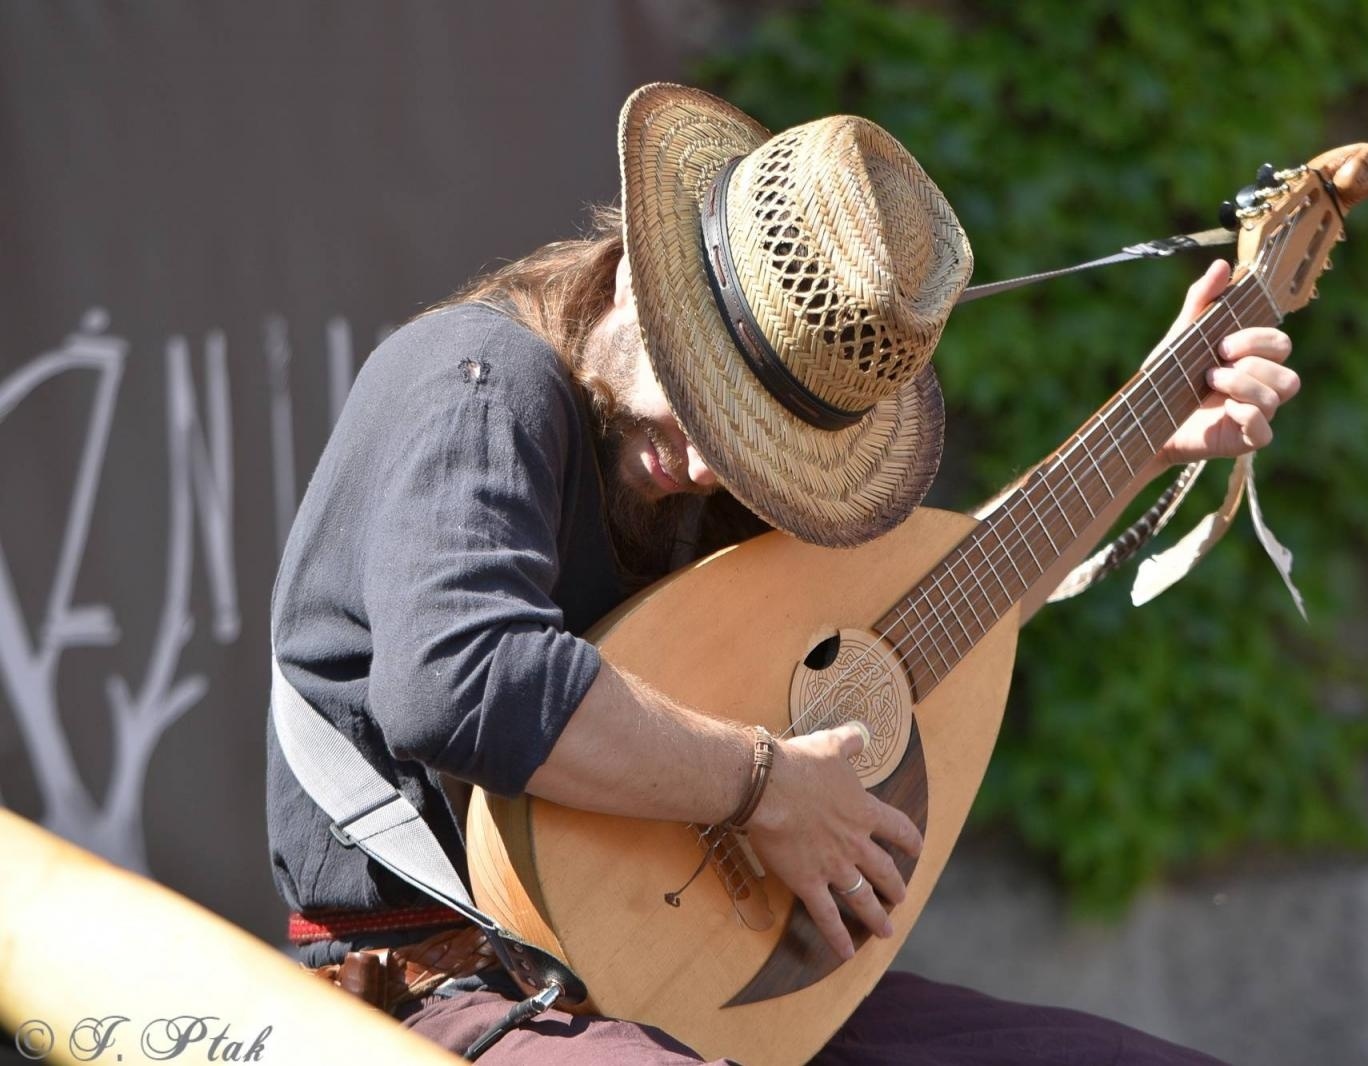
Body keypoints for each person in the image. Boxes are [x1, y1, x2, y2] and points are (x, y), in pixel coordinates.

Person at [266, 83, 1297, 1064]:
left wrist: (1148, 438)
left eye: (757, 442)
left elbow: (912, 631)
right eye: (700, 399)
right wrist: (761, 785)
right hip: (443, 992)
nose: (708, 466)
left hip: (681, 992)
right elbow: (460, 681)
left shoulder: (701, 476)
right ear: (636, 278)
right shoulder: (480, 383)